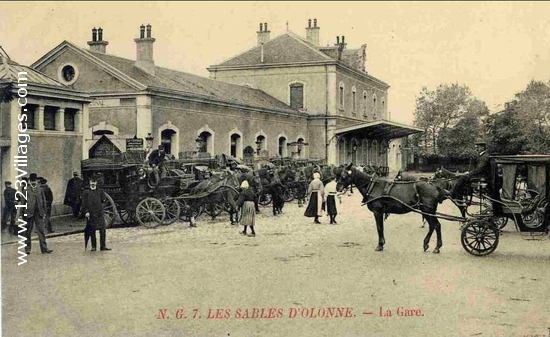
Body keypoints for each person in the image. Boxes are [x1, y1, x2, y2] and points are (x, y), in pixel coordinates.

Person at [449, 140, 491, 204]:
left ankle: (452, 193)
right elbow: (477, 168)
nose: (476, 149)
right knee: (463, 177)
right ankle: (461, 195)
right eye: (476, 147)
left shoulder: (485, 157)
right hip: (480, 175)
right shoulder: (481, 156)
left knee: (463, 177)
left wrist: (469, 173)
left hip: (482, 176)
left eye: (478, 147)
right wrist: (469, 171)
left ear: (482, 147)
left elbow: (480, 169)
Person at [81, 175, 111, 251]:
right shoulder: (86, 192)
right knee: (92, 230)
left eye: (94, 182)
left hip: (99, 213)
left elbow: (104, 201)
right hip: (91, 214)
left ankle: (103, 246)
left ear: (96, 183)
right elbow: (84, 204)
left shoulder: (100, 191)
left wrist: (101, 207)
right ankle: (93, 246)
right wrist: (86, 212)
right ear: (89, 182)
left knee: (103, 230)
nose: (93, 183)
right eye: (92, 182)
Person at [24, 173, 53, 254]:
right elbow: (23, 202)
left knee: (41, 231)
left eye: (35, 181)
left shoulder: (40, 190)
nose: (33, 182)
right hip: (29, 213)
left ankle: (44, 248)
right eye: (32, 181)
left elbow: (43, 201)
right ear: (29, 181)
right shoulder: (26, 190)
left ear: (37, 181)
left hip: (39, 213)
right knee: (28, 231)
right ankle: (27, 248)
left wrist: (44, 212)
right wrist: (23, 214)